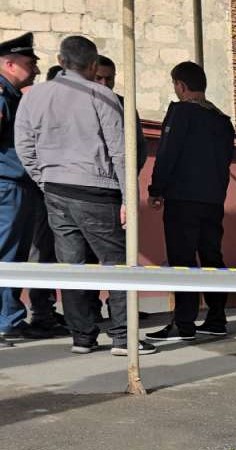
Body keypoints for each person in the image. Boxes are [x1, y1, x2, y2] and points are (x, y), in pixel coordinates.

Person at [16, 35, 156, 355]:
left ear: (61, 61)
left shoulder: (35, 96)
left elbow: (24, 146)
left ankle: (82, 337)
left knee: (72, 266)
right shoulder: (102, 95)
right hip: (97, 190)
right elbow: (121, 152)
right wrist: (128, 198)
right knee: (117, 264)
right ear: (93, 65)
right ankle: (123, 337)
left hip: (55, 189)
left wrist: (44, 180)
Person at [145, 61, 235, 342]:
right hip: (213, 200)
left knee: (183, 259)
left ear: (181, 85)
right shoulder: (222, 120)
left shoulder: (181, 112)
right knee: (212, 257)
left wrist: (156, 189)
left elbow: (167, 153)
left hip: (183, 198)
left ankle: (184, 323)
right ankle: (216, 318)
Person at [0, 33, 40, 349]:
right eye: (30, 63)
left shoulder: (13, 95)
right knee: (6, 254)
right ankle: (4, 321)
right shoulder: (1, 95)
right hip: (6, 185)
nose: (36, 69)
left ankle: (10, 317)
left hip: (18, 186)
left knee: (16, 255)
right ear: (9, 64)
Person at [22, 63, 65, 339]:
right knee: (41, 252)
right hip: (41, 190)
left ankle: (46, 309)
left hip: (57, 188)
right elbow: (28, 149)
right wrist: (43, 181)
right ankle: (40, 313)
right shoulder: (37, 108)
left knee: (52, 253)